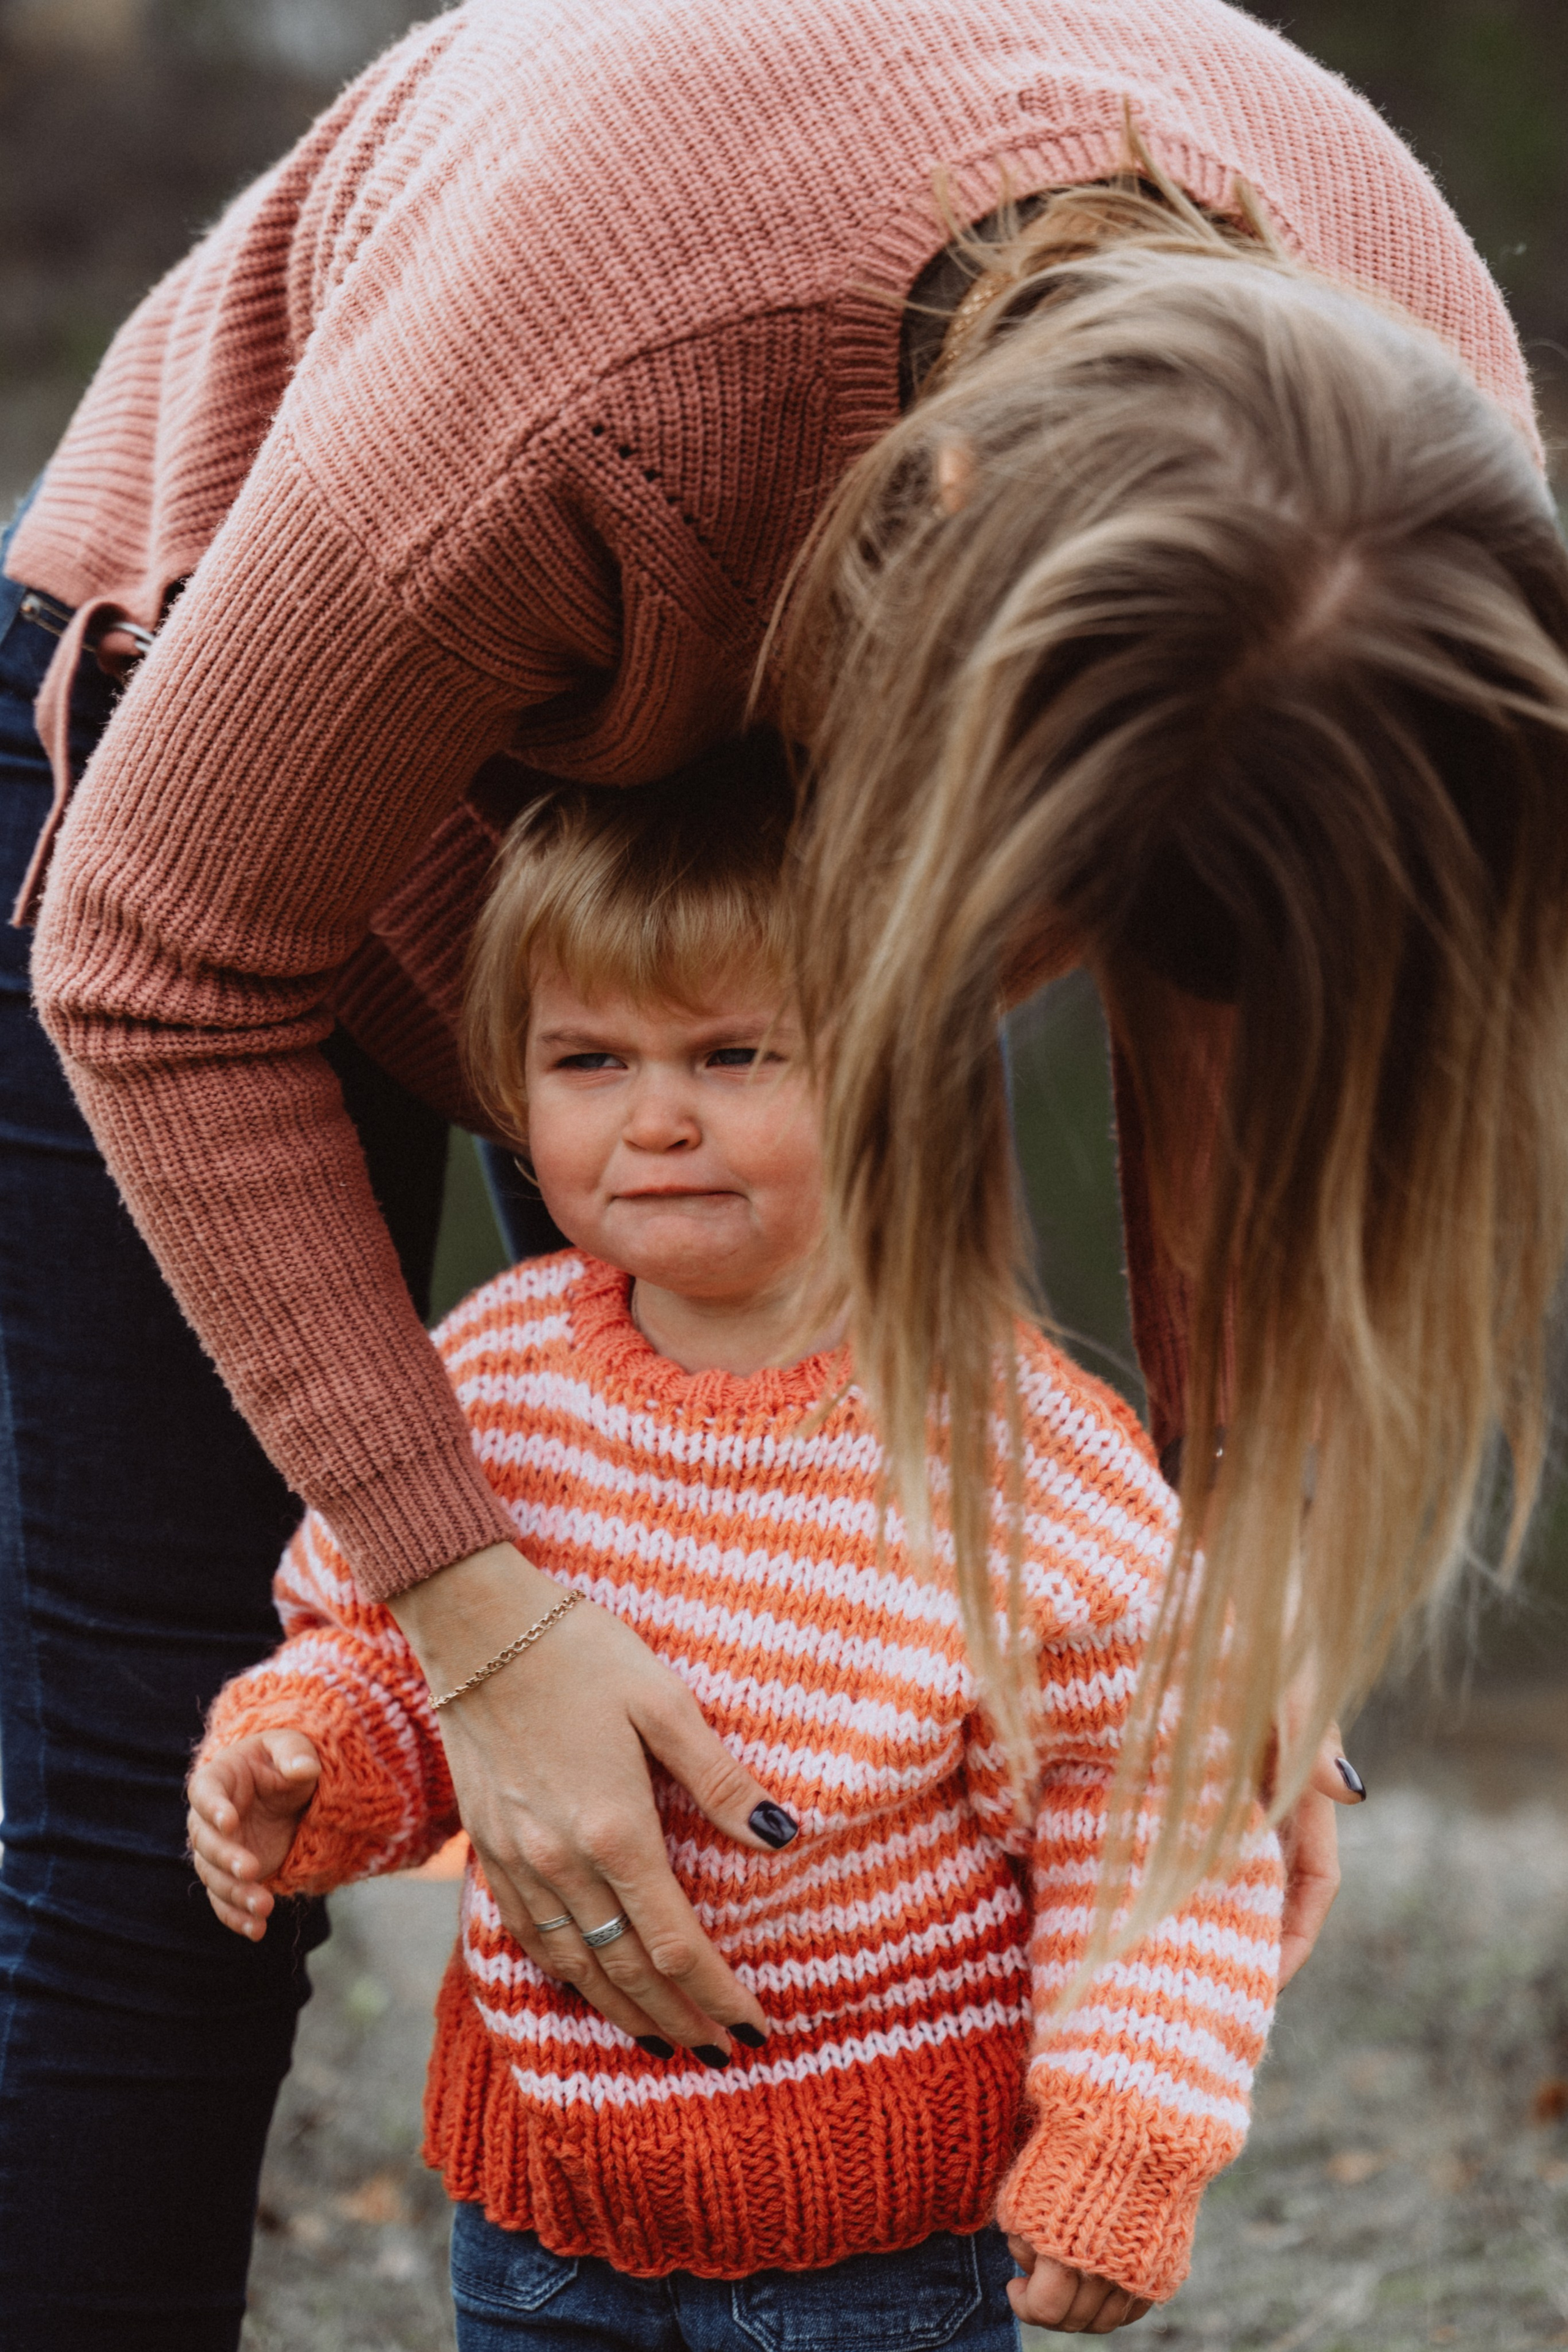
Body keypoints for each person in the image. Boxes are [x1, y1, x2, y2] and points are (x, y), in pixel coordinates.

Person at [0, 0, 1547, 2338]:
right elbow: (153, 963)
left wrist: (1235, 1633)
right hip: (206, 752)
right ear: (948, 562)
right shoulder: (577, 388)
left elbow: (1249, 1032)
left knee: (765, 1699)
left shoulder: (1412, 497)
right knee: (158, 1847)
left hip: (705, 901)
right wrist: (477, 1609)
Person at [187, 752, 1283, 2343]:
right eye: (587, 1059)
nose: (655, 1120)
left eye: (733, 1053)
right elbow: (397, 1657)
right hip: (541, 2221)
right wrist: (311, 1758)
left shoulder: (1016, 1451)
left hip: (876, 2254)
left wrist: (1124, 2137)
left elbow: (1156, 1805)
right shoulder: (483, 1375)